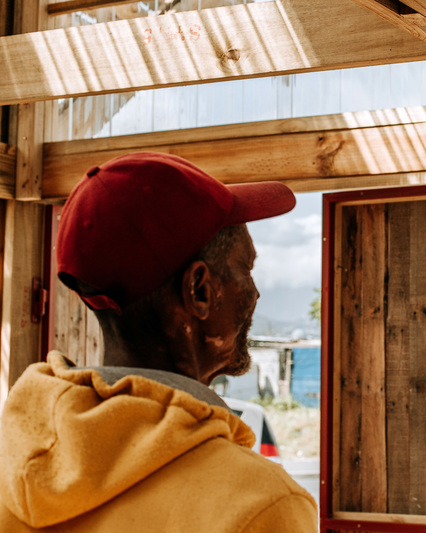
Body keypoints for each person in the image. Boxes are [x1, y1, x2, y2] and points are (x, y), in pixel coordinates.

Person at [0, 152, 318, 532]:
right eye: (246, 268)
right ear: (199, 291)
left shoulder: (10, 461)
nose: (255, 292)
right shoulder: (261, 507)